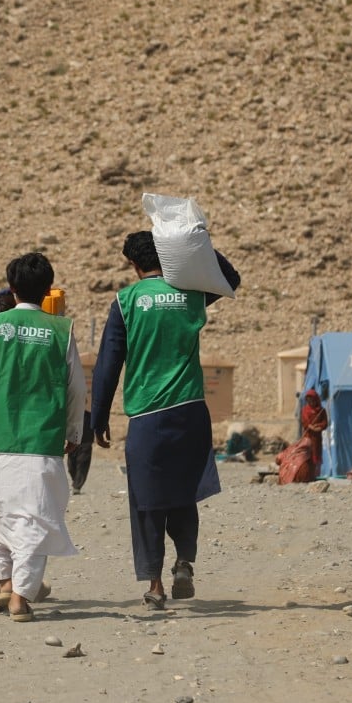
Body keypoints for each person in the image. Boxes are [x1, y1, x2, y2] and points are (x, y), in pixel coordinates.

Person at [91, 231, 239, 610]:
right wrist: (194, 241)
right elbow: (230, 277)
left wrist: (99, 415)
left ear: (132, 264)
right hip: (190, 411)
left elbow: (109, 363)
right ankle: (184, 562)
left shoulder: (126, 301)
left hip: (147, 416)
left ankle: (156, 584)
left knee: (148, 499)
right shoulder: (192, 293)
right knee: (184, 490)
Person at [0, 252, 85, 622]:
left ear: (11, 290)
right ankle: (21, 598)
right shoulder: (62, 329)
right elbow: (77, 389)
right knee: (36, 518)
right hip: (43, 443)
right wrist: (74, 430)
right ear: (47, 290)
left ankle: (6, 582)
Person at [277, 388, 328, 484]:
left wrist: (319, 427)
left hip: (317, 438)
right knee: (307, 456)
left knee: (316, 456)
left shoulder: (321, 410)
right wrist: (311, 427)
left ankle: (316, 476)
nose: (311, 402)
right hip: (308, 438)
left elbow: (325, 423)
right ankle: (308, 475)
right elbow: (305, 422)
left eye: (312, 400)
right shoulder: (305, 410)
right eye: (309, 400)